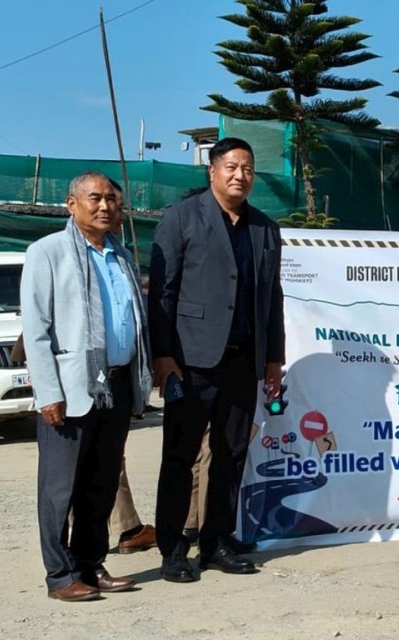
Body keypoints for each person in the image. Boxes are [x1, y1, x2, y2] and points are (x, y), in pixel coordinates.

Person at [149, 137, 286, 582]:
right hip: (191, 361)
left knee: (232, 453)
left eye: (247, 168)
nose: (239, 175)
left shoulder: (265, 228)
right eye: (231, 166)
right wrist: (163, 354)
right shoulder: (181, 218)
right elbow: (163, 293)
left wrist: (273, 359)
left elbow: (273, 298)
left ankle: (218, 543)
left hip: (245, 360)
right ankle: (172, 549)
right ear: (212, 171)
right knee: (180, 455)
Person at [21, 172, 152, 601]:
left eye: (112, 199)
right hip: (70, 390)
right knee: (61, 489)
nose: (105, 206)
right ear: (71, 204)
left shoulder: (122, 256)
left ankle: (91, 565)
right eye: (94, 198)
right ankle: (60, 576)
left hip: (114, 388)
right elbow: (36, 330)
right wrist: (48, 392)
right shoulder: (48, 253)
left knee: (100, 485)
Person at [104, 178, 157, 554]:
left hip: (121, 375)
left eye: (116, 204)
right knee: (88, 460)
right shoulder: (60, 254)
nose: (112, 211)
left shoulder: (120, 256)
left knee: (109, 456)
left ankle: (124, 528)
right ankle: (124, 529)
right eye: (103, 201)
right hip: (82, 377)